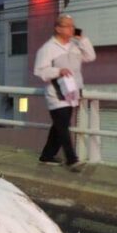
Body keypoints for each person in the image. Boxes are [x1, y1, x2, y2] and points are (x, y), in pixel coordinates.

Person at [34, 13, 95, 171]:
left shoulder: (75, 45)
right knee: (63, 125)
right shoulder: (48, 49)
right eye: (68, 26)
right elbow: (39, 71)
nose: (72, 28)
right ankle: (71, 159)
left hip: (73, 91)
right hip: (56, 93)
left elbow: (90, 57)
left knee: (59, 125)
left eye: (72, 26)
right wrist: (58, 71)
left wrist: (82, 39)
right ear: (58, 28)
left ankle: (46, 155)